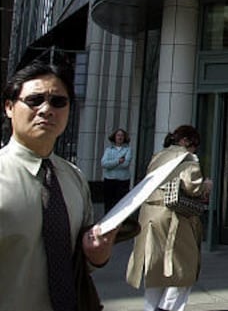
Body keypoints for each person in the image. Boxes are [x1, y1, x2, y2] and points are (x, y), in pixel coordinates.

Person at [0, 55, 117, 310]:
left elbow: (76, 262)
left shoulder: (73, 177)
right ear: (9, 107)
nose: (46, 109)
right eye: (34, 100)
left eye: (58, 101)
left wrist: (96, 256)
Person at [126, 124, 212, 311]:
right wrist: (206, 185)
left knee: (154, 270)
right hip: (172, 218)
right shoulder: (187, 157)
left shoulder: (158, 155)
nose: (194, 148)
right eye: (194, 144)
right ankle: (168, 309)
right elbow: (193, 186)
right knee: (182, 271)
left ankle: (151, 308)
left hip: (149, 215)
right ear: (185, 141)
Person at [101, 127, 132, 213]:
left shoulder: (128, 149)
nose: (120, 137)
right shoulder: (108, 150)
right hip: (109, 180)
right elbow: (104, 163)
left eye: (122, 135)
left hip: (123, 181)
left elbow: (125, 164)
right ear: (114, 137)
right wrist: (118, 161)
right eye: (118, 135)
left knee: (121, 204)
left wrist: (111, 164)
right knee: (109, 204)